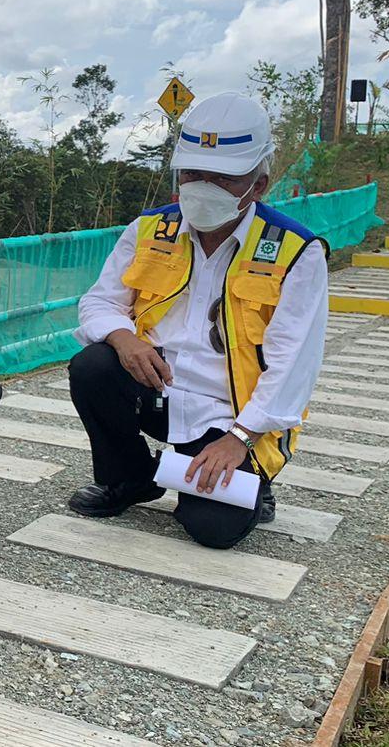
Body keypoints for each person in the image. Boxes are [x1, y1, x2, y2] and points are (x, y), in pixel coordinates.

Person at [65, 91, 328, 549]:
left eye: (222, 178)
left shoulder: (294, 253)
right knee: (93, 365)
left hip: (230, 418)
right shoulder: (150, 229)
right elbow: (97, 304)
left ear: (258, 184)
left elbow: (293, 366)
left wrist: (239, 439)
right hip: (161, 393)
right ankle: (129, 479)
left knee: (213, 530)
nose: (202, 187)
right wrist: (125, 339)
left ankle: (256, 482)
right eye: (192, 173)